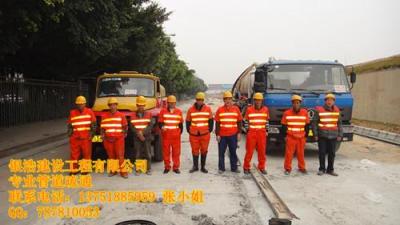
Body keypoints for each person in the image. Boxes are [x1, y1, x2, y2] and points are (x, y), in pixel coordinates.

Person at [313, 93, 343, 176]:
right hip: (322, 135)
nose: (329, 101)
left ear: (334, 101)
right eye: (328, 100)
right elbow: (314, 123)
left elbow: (339, 124)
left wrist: (340, 135)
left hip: (333, 136)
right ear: (325, 101)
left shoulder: (337, 111)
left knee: (332, 153)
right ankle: (322, 169)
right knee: (322, 153)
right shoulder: (319, 110)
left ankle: (330, 170)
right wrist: (315, 135)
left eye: (331, 100)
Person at [281, 95, 310, 175]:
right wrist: (285, 136)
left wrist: (306, 136)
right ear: (292, 104)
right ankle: (287, 168)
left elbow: (307, 126)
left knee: (301, 153)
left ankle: (302, 167)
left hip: (301, 137)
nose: (296, 104)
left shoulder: (304, 112)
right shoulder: (286, 113)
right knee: (289, 154)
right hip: (291, 137)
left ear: (300, 103)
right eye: (294, 103)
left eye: (297, 103)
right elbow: (283, 126)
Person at [215, 91, 242, 174]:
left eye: (229, 99)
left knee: (233, 152)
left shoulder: (236, 109)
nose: (228, 101)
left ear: (232, 100)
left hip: (233, 135)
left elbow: (239, 122)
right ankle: (221, 168)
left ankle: (234, 168)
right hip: (222, 135)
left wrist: (239, 133)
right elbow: (217, 123)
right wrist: (217, 134)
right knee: (221, 152)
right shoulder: (220, 110)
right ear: (224, 100)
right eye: (226, 99)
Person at [67, 96, 96, 175]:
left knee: (86, 154)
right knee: (74, 155)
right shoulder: (72, 113)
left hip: (86, 138)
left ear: (85, 104)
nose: (80, 105)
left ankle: (85, 169)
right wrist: (70, 134)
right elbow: (70, 125)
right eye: (78, 104)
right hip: (75, 138)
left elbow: (93, 125)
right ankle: (74, 170)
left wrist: (91, 135)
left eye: (81, 104)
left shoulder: (89, 112)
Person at [186, 92, 214, 173]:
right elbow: (188, 121)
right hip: (194, 134)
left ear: (203, 100)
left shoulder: (208, 109)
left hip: (205, 134)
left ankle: (203, 167)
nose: (199, 101)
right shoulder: (190, 109)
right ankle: (195, 166)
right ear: (196, 100)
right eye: (198, 100)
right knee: (194, 150)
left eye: (201, 100)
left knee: (204, 150)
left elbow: (211, 121)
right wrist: (189, 131)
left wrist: (209, 130)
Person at [101, 97, 128, 178]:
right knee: (111, 156)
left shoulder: (121, 115)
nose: (112, 106)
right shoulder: (104, 116)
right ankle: (113, 171)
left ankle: (123, 172)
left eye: (114, 105)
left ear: (116, 106)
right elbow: (102, 128)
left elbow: (125, 127)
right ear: (109, 106)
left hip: (118, 139)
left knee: (120, 156)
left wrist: (121, 135)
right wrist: (103, 136)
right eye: (111, 105)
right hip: (108, 140)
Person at [243, 93, 269, 175]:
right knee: (249, 151)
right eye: (256, 100)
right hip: (252, 133)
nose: (258, 102)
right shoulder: (249, 109)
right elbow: (246, 121)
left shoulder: (266, 109)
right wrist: (248, 131)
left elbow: (267, 121)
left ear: (262, 101)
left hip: (262, 133)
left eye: (259, 100)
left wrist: (267, 131)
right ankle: (246, 167)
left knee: (262, 152)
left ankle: (261, 167)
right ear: (254, 101)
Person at [130, 96, 155, 175]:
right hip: (137, 137)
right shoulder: (132, 115)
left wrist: (142, 133)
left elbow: (150, 126)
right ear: (137, 105)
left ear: (144, 105)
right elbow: (132, 126)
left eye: (142, 105)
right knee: (138, 154)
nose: (141, 107)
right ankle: (139, 169)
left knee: (148, 153)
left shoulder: (149, 114)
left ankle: (148, 169)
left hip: (146, 137)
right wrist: (138, 134)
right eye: (139, 105)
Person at [158, 95, 183, 174]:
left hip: (176, 135)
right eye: (170, 103)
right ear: (167, 103)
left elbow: (181, 124)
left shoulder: (179, 111)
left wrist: (179, 133)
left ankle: (176, 167)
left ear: (175, 103)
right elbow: (160, 122)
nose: (172, 104)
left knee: (176, 152)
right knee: (166, 151)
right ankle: (167, 167)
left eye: (173, 103)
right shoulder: (163, 111)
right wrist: (162, 127)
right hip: (166, 134)